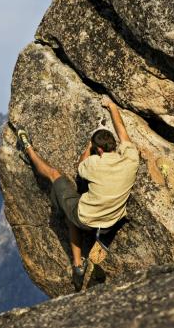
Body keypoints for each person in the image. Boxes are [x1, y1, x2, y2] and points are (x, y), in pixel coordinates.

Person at [14, 97, 140, 289]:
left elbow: (80, 165)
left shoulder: (94, 164)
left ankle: (28, 149)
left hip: (86, 218)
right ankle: (93, 250)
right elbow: (122, 131)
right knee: (76, 206)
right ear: (114, 145)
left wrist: (89, 145)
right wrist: (112, 106)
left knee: (55, 177)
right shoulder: (131, 158)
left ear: (99, 150)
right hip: (112, 221)